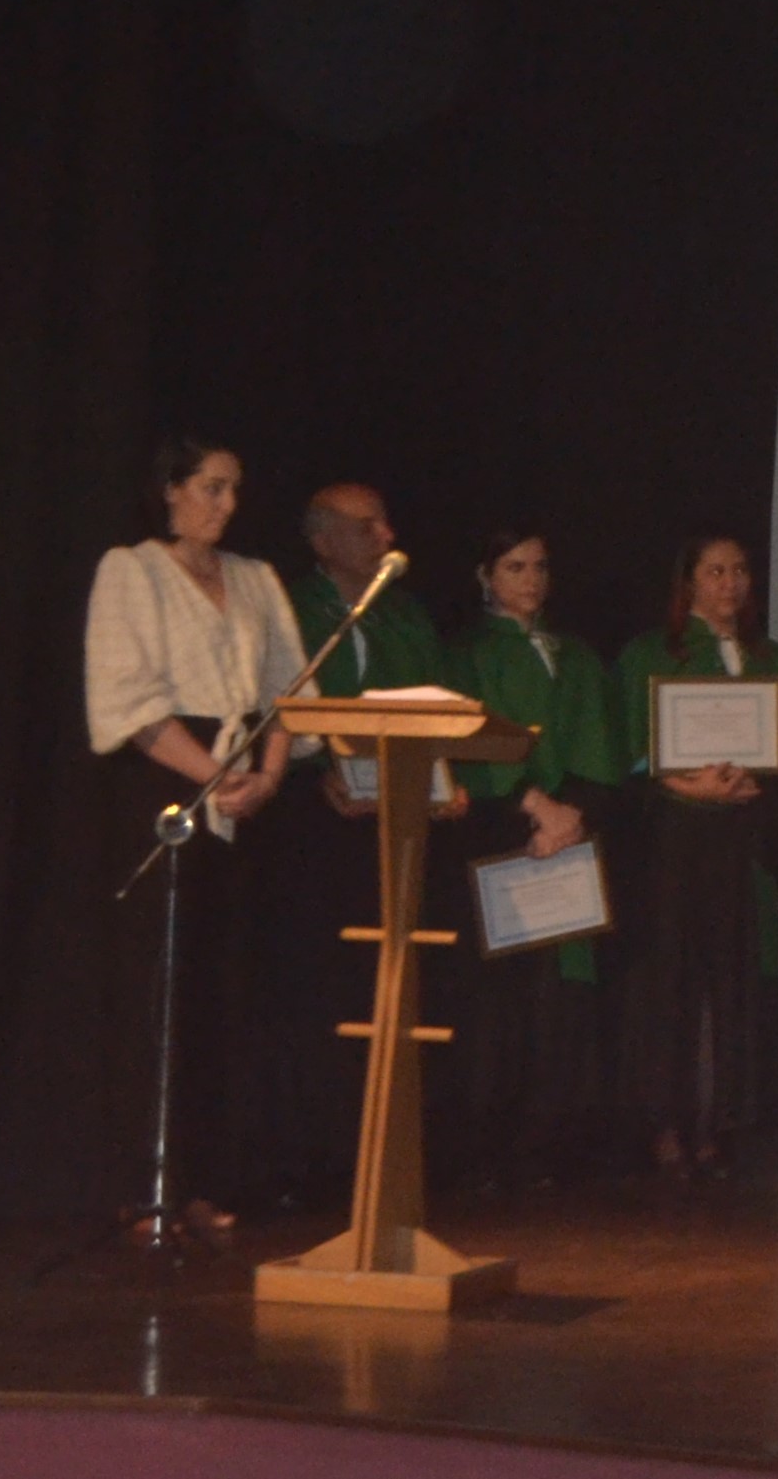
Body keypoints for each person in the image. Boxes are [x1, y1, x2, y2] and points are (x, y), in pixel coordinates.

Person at [80, 436, 300, 1238]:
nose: (226, 504)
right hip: (169, 781)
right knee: (159, 981)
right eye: (211, 486)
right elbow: (128, 701)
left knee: (223, 988)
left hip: (242, 789)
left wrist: (266, 775)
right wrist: (215, 774)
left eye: (234, 489)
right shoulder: (131, 570)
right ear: (170, 489)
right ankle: (146, 1183)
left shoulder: (256, 577)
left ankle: (205, 1176)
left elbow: (289, 690)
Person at [264, 480, 468, 1199]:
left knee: (398, 985)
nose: (385, 536)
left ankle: (393, 1158)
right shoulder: (292, 609)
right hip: (316, 827)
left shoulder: (407, 616)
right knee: (321, 989)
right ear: (322, 541)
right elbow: (275, 706)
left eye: (385, 522)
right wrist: (315, 772)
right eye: (365, 526)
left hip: (400, 822)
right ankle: (310, 1158)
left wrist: (447, 778)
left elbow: (437, 707)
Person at [613, 532, 778, 1180]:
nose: (731, 583)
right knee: (671, 980)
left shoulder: (773, 659)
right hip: (674, 840)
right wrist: (684, 785)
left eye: (739, 570)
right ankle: (666, 1122)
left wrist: (762, 785)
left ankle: (720, 1122)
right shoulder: (651, 654)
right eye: (715, 571)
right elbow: (630, 750)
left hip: (743, 839)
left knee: (732, 980)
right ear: (688, 582)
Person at [434, 528, 623, 1192]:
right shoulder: (463, 655)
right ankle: (488, 1147)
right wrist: (533, 806)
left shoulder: (577, 656)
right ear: (485, 574)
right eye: (515, 567)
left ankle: (551, 1144)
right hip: (497, 833)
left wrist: (572, 814)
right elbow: (464, 742)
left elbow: (601, 747)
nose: (532, 579)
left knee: (559, 995)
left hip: (567, 838)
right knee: (499, 1002)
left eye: (541, 566)